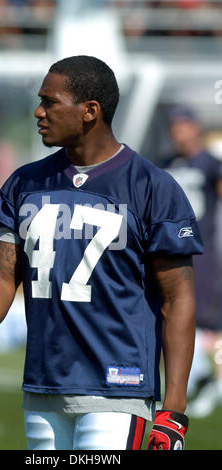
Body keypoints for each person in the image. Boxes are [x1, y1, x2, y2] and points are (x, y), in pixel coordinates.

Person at [0, 56, 203, 451]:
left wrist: (175, 409)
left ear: (89, 111)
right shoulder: (25, 183)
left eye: (50, 102)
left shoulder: (152, 186)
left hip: (118, 389)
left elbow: (177, 299)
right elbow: (1, 273)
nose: (38, 111)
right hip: (43, 387)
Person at [162, 106, 222, 418]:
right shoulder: (166, 164)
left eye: (183, 124)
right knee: (171, 317)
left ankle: (215, 381)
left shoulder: (211, 164)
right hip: (169, 252)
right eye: (174, 125)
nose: (177, 131)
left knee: (210, 325)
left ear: (195, 127)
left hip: (203, 255)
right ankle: (188, 382)